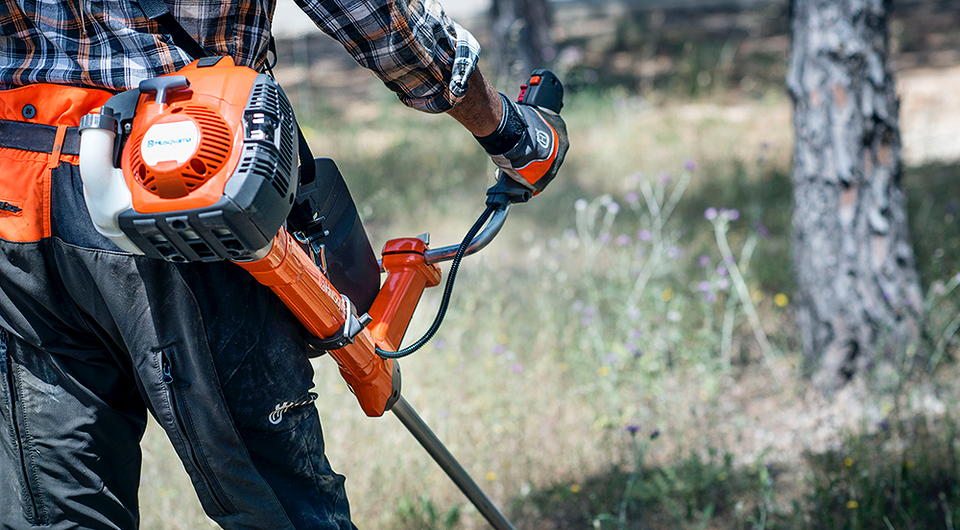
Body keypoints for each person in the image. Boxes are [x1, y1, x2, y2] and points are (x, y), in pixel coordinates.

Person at [0, 1, 567, 529]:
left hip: (18, 187)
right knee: (283, 507)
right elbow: (376, 17)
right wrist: (509, 130)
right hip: (181, 179)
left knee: (59, 510)